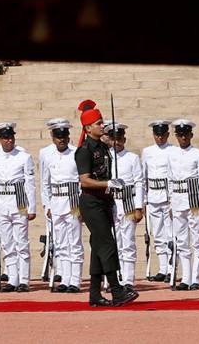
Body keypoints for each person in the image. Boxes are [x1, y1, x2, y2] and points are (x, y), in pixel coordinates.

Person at [74, 105, 138, 307]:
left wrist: (112, 186)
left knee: (99, 248)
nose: (102, 126)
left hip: (104, 201)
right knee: (108, 245)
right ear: (87, 128)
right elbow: (84, 180)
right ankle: (117, 290)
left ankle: (94, 295)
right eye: (98, 123)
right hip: (91, 202)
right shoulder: (84, 151)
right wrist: (107, 184)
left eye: (102, 122)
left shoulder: (103, 147)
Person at [0, 122, 36, 293]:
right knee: (7, 244)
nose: (9, 141)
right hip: (1, 202)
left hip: (19, 202)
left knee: (21, 243)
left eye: (11, 137)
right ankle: (12, 279)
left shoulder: (23, 156)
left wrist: (32, 208)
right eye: (5, 138)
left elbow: (30, 184)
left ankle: (24, 280)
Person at [40, 118, 84, 293]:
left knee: (75, 242)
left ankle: (75, 280)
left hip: (73, 200)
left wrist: (81, 205)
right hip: (56, 201)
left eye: (64, 135)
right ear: (52, 136)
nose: (62, 139)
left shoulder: (77, 152)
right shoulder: (46, 154)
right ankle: (64, 279)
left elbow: (82, 180)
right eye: (58, 136)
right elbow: (45, 182)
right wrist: (47, 206)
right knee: (61, 244)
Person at [166, 119, 199, 290]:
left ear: (191, 135)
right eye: (180, 135)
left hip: (194, 200)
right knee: (182, 240)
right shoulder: (172, 154)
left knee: (197, 239)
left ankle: (196, 278)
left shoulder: (198, 154)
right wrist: (170, 202)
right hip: (177, 199)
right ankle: (186, 277)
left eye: (186, 134)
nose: (183, 137)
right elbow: (169, 179)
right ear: (176, 136)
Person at [106, 122, 143, 290]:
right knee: (114, 243)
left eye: (119, 139)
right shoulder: (107, 157)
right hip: (112, 202)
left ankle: (127, 279)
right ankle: (113, 279)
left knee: (127, 243)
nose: (116, 142)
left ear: (124, 139)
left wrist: (139, 207)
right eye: (113, 139)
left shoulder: (133, 158)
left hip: (128, 202)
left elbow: (139, 183)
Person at [142, 120, 173, 282]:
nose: (159, 138)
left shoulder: (173, 150)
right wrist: (145, 199)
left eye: (162, 135)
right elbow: (144, 177)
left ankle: (171, 268)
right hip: (153, 196)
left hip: (167, 197)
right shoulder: (147, 151)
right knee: (158, 234)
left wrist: (173, 199)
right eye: (157, 135)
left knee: (170, 233)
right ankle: (162, 268)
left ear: (167, 135)